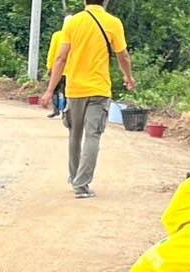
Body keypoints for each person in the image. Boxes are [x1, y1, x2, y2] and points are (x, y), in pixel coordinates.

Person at [38, 0, 135, 199]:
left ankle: (75, 177)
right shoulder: (113, 23)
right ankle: (81, 186)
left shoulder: (73, 23)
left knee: (75, 135)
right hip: (99, 89)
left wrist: (49, 90)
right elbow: (123, 56)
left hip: (74, 90)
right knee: (93, 135)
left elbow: (60, 58)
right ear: (105, 1)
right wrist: (128, 76)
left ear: (84, 1)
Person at [45, 17, 69, 119]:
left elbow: (52, 52)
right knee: (67, 92)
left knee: (54, 90)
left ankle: (56, 111)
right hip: (69, 70)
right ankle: (65, 112)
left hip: (57, 69)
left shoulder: (57, 35)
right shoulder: (76, 36)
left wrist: (49, 66)